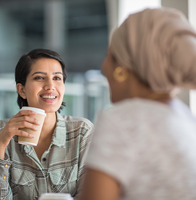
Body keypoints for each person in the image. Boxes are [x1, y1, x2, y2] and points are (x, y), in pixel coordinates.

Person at [80, 8, 196, 200]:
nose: (103, 67)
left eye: (109, 55)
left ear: (121, 69)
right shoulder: (186, 118)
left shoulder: (121, 120)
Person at [0, 48, 94, 200]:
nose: (50, 85)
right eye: (39, 78)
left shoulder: (82, 131)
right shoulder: (1, 130)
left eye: (57, 78)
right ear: (21, 90)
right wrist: (0, 144)